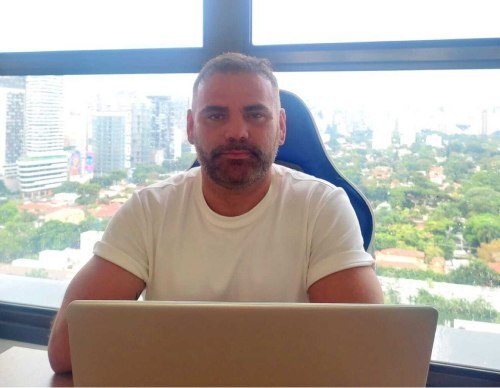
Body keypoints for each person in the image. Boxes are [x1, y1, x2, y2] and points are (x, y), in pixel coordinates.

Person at [48, 52, 384, 373]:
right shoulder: (149, 210)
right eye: (216, 115)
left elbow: (366, 352)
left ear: (280, 127)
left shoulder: (323, 207)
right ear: (191, 126)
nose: (237, 131)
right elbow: (67, 350)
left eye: (255, 114)